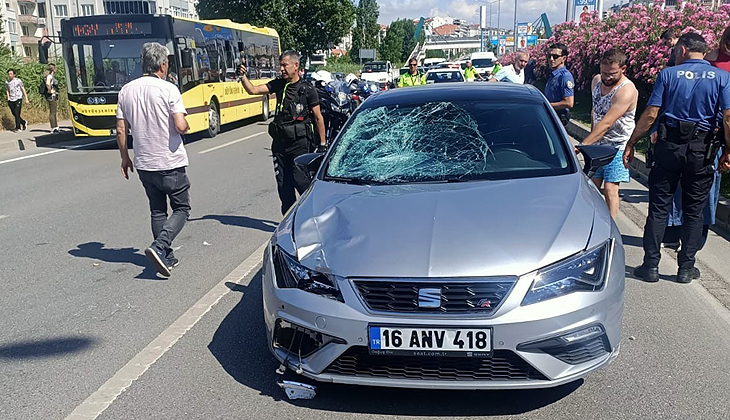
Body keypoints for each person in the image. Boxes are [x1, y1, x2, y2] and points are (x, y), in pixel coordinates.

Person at [623, 33, 730, 284]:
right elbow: (727, 118)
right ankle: (685, 268)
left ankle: (650, 266)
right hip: (702, 150)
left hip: (669, 146)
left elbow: (651, 114)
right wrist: (728, 150)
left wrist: (631, 142)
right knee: (695, 211)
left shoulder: (669, 74)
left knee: (659, 208)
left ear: (682, 49)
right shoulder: (723, 77)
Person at [116, 42, 191, 277]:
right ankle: (160, 246)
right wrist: (186, 125)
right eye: (167, 63)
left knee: (158, 211)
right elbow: (180, 125)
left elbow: (120, 130)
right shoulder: (169, 89)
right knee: (182, 208)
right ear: (162, 64)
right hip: (169, 162)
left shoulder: (126, 91)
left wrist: (125, 158)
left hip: (144, 163)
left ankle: (166, 257)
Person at [663, 26, 730, 251]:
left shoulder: (713, 59)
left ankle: (688, 237)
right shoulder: (712, 59)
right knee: (697, 187)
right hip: (711, 129)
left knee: (698, 188)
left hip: (712, 130)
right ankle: (683, 236)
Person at [238, 50, 327, 215]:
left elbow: (318, 118)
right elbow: (253, 90)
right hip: (279, 145)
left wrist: (322, 145)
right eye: (280, 65)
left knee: (300, 181)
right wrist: (242, 76)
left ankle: (314, 215)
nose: (282, 69)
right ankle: (288, 222)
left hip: (299, 144)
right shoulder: (279, 84)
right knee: (284, 187)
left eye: (285, 65)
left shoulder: (307, 89)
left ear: (296, 65)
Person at [579, 48, 638, 219]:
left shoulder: (626, 90)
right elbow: (595, 111)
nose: (606, 78)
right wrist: (592, 138)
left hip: (617, 146)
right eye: (604, 73)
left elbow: (606, 123)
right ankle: (592, 219)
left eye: (612, 74)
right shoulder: (596, 81)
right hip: (598, 144)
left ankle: (610, 225)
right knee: (592, 185)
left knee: (610, 188)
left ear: (623, 69)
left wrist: (583, 145)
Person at [544, 43, 575, 126]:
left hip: (559, 117)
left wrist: (547, 106)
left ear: (563, 58)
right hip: (552, 116)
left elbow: (569, 103)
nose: (551, 59)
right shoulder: (554, 75)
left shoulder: (565, 76)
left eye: (555, 56)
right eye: (549, 56)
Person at [44, 64, 60, 134]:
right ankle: (53, 127)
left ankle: (56, 127)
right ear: (53, 69)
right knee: (52, 112)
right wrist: (50, 90)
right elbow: (48, 83)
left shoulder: (50, 76)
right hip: (51, 96)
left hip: (53, 95)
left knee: (54, 111)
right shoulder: (50, 76)